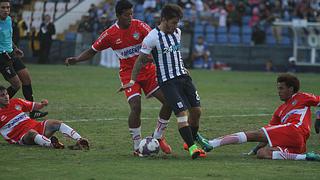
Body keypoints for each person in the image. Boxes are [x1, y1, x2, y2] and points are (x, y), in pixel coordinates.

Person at [65, 0, 173, 156]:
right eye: (127, 14)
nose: (130, 17)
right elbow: (92, 50)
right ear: (118, 15)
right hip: (129, 74)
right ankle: (137, 147)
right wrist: (77, 59)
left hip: (149, 71)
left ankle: (158, 137)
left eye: (132, 13)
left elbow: (156, 41)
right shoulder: (110, 34)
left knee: (169, 101)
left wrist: (153, 57)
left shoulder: (140, 26)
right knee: (136, 107)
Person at [119, 4, 211, 159]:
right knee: (182, 113)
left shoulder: (178, 32)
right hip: (167, 82)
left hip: (183, 76)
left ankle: (190, 139)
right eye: (173, 23)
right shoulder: (152, 37)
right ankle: (192, 148)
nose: (176, 26)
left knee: (196, 112)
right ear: (164, 19)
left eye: (177, 23)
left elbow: (174, 54)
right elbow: (140, 61)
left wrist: (183, 67)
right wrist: (132, 80)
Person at [205, 73, 320, 161]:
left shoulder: (302, 97)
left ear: (291, 89)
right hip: (296, 143)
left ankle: (211, 143)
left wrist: (318, 117)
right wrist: (254, 151)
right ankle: (305, 157)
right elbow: (267, 135)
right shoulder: (279, 111)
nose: (278, 92)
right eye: (278, 88)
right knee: (262, 153)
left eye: (281, 88)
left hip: (296, 130)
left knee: (254, 134)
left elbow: (261, 134)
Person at [0, 85, 89, 150]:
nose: (6, 97)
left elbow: (34, 106)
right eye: (2, 95)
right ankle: (52, 144)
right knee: (31, 133)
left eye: (6, 94)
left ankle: (80, 140)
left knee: (55, 123)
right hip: (22, 137)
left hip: (36, 126)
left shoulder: (16, 101)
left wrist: (42, 104)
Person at [0, 0, 47, 119]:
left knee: (26, 78)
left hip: (11, 53)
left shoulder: (9, 20)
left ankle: (33, 111)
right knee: (16, 85)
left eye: (8, 7)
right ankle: (2, 107)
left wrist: (15, 48)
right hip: (2, 57)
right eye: (3, 7)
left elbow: (8, 38)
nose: (6, 10)